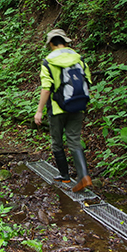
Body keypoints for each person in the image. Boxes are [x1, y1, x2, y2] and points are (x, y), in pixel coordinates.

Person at [33, 29, 93, 192]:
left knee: (57, 141)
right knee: (74, 139)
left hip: (57, 108)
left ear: (51, 43)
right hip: (77, 105)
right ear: (66, 42)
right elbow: (88, 81)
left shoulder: (48, 62)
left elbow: (46, 89)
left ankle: (65, 175)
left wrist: (39, 111)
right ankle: (84, 176)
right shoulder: (79, 59)